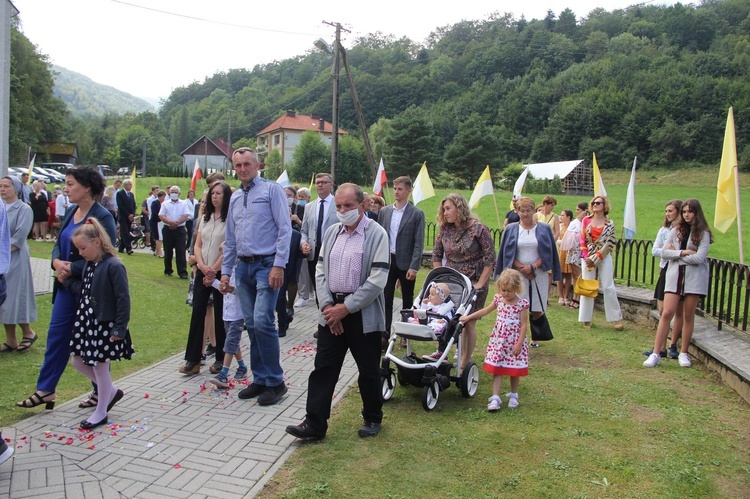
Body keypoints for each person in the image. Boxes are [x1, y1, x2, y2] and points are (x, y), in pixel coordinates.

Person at [286, 183, 389, 440]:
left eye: (348, 206)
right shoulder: (332, 232)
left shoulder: (376, 234)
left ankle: (372, 417)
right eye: (339, 206)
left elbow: (378, 279)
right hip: (331, 311)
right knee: (324, 368)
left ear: (362, 205)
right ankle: (314, 424)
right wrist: (329, 307)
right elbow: (320, 270)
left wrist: (347, 308)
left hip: (362, 314)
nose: (343, 211)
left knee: (368, 370)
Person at [17, 166, 116, 410]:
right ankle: (46, 390)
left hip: (91, 290)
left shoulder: (102, 216)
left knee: (92, 342)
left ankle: (101, 392)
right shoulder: (71, 210)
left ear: (87, 188)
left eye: (71, 183)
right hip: (65, 289)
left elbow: (107, 254)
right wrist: (56, 262)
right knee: (57, 337)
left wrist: (73, 268)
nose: (67, 188)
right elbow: (58, 244)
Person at [220, 147, 291, 406]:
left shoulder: (272, 190)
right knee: (251, 323)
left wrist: (279, 265)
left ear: (257, 164)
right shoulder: (236, 197)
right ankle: (260, 378)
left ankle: (276, 381)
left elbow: (285, 229)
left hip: (266, 264)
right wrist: (226, 272)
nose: (242, 169)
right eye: (237, 165)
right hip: (243, 267)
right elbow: (230, 239)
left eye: (246, 164)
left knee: (262, 321)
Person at [68, 218, 133, 429]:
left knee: (100, 368)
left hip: (105, 324)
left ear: (97, 242)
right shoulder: (91, 264)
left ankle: (101, 411)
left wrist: (119, 328)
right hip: (87, 323)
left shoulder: (114, 265)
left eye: (82, 247)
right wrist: (67, 282)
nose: (80, 253)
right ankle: (110, 391)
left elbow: (123, 299)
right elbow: (87, 290)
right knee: (77, 362)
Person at [644, 198, 712, 369]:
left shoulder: (703, 233)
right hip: (674, 277)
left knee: (688, 314)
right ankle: (656, 353)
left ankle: (683, 352)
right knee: (667, 313)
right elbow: (665, 253)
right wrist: (683, 252)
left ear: (696, 213)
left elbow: (700, 258)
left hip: (694, 279)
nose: (686, 214)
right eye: (684, 212)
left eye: (690, 211)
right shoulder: (675, 230)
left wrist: (678, 257)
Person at [432, 193, 495, 367]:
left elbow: (490, 258)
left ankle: (464, 360)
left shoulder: (478, 229)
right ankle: (442, 352)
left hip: (475, 281)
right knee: (445, 315)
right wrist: (439, 278)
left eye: (448, 208)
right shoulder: (445, 230)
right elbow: (437, 254)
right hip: (452, 281)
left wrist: (481, 282)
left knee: (468, 322)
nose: (445, 213)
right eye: (443, 209)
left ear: (459, 208)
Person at [496, 196, 561, 347]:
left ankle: (535, 337)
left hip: (539, 272)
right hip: (517, 274)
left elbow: (548, 252)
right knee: (518, 305)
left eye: (528, 210)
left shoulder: (543, 228)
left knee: (536, 306)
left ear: (534, 211)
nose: (525, 214)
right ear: (517, 211)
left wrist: (533, 266)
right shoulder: (511, 229)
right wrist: (521, 267)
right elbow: (507, 252)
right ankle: (519, 339)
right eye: (522, 210)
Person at [180, 180, 230, 375]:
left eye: (219, 193)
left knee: (220, 313)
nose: (215, 196)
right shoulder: (205, 218)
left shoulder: (230, 220)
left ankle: (220, 358)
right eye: (212, 193)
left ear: (226, 197)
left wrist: (214, 269)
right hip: (203, 267)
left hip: (220, 270)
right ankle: (193, 359)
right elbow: (198, 244)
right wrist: (201, 265)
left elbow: (229, 247)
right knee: (198, 311)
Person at [460, 269, 529, 411]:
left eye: (509, 291)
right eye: (503, 290)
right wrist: (468, 317)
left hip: (513, 342)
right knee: (498, 368)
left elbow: (523, 325)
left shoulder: (521, 304)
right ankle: (495, 397)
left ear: (516, 289)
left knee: (513, 370)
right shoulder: (498, 300)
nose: (505, 293)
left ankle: (513, 395)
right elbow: (485, 311)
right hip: (499, 341)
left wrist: (519, 343)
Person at [377, 176, 425, 346]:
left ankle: (406, 333)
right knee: (386, 296)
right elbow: (380, 236)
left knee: (407, 298)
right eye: (395, 188)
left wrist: (414, 266)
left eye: (400, 189)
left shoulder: (416, 213)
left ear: (408, 191)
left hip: (405, 262)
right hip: (388, 260)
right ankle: (384, 334)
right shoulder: (385, 211)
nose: (396, 192)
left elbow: (419, 242)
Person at [0, 176, 37, 352]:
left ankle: (28, 332)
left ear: (15, 188)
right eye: (0, 186)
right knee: (4, 299)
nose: (2, 189)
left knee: (14, 295)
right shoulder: (1, 208)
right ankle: (11, 339)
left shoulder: (24, 209)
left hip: (15, 256)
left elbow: (19, 237)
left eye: (6, 186)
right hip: (2, 257)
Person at [644, 200, 685, 360]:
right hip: (665, 269)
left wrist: (674, 252)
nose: (667, 214)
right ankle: (660, 347)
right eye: (666, 211)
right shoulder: (664, 230)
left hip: (680, 270)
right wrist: (669, 252)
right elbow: (655, 250)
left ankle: (673, 344)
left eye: (670, 211)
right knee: (663, 310)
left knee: (679, 311)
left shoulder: (684, 231)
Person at [578, 195, 623, 330]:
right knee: (587, 286)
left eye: (598, 203)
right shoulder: (586, 220)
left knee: (608, 286)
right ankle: (586, 318)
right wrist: (586, 256)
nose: (595, 205)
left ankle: (616, 318)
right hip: (587, 255)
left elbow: (610, 243)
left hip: (604, 255)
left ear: (604, 206)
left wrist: (596, 257)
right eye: (594, 203)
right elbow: (582, 239)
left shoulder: (610, 223)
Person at [300, 173, 338, 307]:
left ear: (331, 185)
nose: (320, 185)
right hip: (314, 253)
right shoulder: (309, 207)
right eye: (318, 182)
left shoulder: (338, 204)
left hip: (333, 253)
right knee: (318, 289)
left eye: (323, 182)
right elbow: (304, 230)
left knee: (332, 288)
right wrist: (303, 243)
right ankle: (322, 320)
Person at [209, 270, 248, 388]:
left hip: (238, 314)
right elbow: (222, 288)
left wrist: (230, 288)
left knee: (230, 342)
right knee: (233, 342)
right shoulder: (226, 272)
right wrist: (213, 282)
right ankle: (242, 366)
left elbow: (243, 290)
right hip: (227, 313)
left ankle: (223, 374)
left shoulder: (242, 270)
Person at [159, 186, 191, 279]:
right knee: (168, 250)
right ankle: (168, 270)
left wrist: (177, 223)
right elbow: (161, 215)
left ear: (179, 194)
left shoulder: (184, 203)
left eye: (175, 192)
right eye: (172, 192)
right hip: (168, 229)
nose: (173, 194)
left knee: (181, 250)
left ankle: (182, 272)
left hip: (180, 229)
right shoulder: (165, 203)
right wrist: (170, 222)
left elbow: (186, 215)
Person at [294, 187, 314, 308]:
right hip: (298, 241)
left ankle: (312, 292)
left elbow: (306, 227)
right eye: (299, 196)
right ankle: (303, 295)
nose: (300, 199)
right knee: (302, 270)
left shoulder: (309, 208)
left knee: (311, 269)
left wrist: (298, 220)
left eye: (303, 196)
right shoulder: (294, 207)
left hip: (308, 241)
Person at [565, 202, 587, 309]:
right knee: (574, 274)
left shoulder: (586, 222)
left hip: (580, 250)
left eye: (579, 210)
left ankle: (577, 298)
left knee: (578, 275)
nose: (577, 212)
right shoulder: (575, 222)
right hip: (573, 250)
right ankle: (575, 296)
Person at [556, 209, 576, 305]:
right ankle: (560, 296)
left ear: (568, 217)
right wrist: (563, 242)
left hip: (569, 252)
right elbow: (558, 239)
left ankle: (566, 296)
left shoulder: (572, 227)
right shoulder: (560, 227)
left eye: (563, 215)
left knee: (568, 275)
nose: (561, 217)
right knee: (560, 274)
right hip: (561, 252)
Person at [115, 179, 136, 255]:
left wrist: (132, 214)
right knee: (125, 232)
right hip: (123, 217)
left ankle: (121, 247)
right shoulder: (120, 194)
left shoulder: (131, 194)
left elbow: (133, 205)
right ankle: (129, 248)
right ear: (125, 185)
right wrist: (128, 214)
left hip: (130, 217)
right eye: (130, 184)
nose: (131, 186)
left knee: (126, 232)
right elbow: (120, 206)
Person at [150, 190, 166, 258]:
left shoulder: (164, 203)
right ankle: (159, 252)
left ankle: (157, 251)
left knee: (161, 236)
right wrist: (160, 217)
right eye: (163, 197)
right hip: (156, 222)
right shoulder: (155, 203)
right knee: (158, 237)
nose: (164, 199)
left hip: (161, 222)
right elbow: (154, 213)